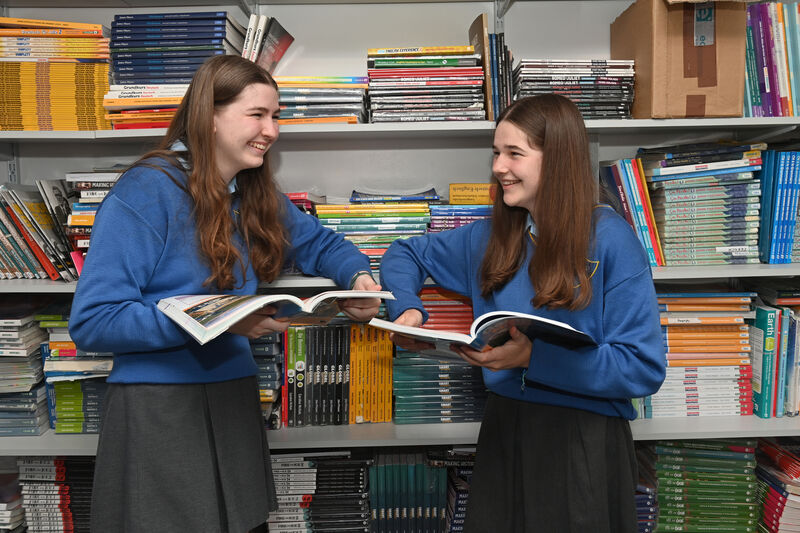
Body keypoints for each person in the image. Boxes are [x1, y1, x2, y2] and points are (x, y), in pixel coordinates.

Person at [69, 55, 382, 533]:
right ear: (209, 118)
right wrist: (217, 320)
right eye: (257, 115)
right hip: (158, 407)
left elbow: (320, 242)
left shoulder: (252, 192)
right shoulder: (147, 191)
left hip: (234, 395)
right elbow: (94, 320)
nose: (272, 130)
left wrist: (358, 277)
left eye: (275, 117)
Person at [379, 94, 666, 532]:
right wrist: (408, 310)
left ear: (559, 161)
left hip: (582, 441)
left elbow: (643, 368)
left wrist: (534, 357)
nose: (498, 166)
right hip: (504, 430)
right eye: (496, 152)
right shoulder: (490, 237)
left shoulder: (612, 240)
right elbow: (402, 254)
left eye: (515, 153)